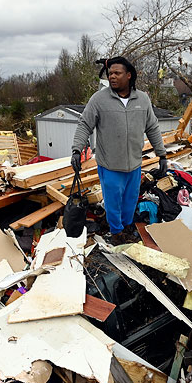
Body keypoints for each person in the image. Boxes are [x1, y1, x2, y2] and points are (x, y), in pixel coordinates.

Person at [71, 56, 167, 245]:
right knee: (113, 202)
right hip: (110, 165)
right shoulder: (99, 99)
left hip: (134, 163)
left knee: (130, 201)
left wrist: (162, 154)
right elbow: (84, 124)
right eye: (110, 74)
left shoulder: (142, 99)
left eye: (117, 73)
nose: (112, 77)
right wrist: (76, 149)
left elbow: (153, 127)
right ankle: (116, 233)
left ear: (129, 75)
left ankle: (127, 227)